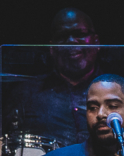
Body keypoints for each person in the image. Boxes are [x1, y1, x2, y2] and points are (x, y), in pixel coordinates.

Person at [12, 8, 104, 146]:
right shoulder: (27, 93)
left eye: (79, 34)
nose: (71, 41)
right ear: (51, 48)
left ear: (96, 42)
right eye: (62, 37)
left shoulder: (118, 91)